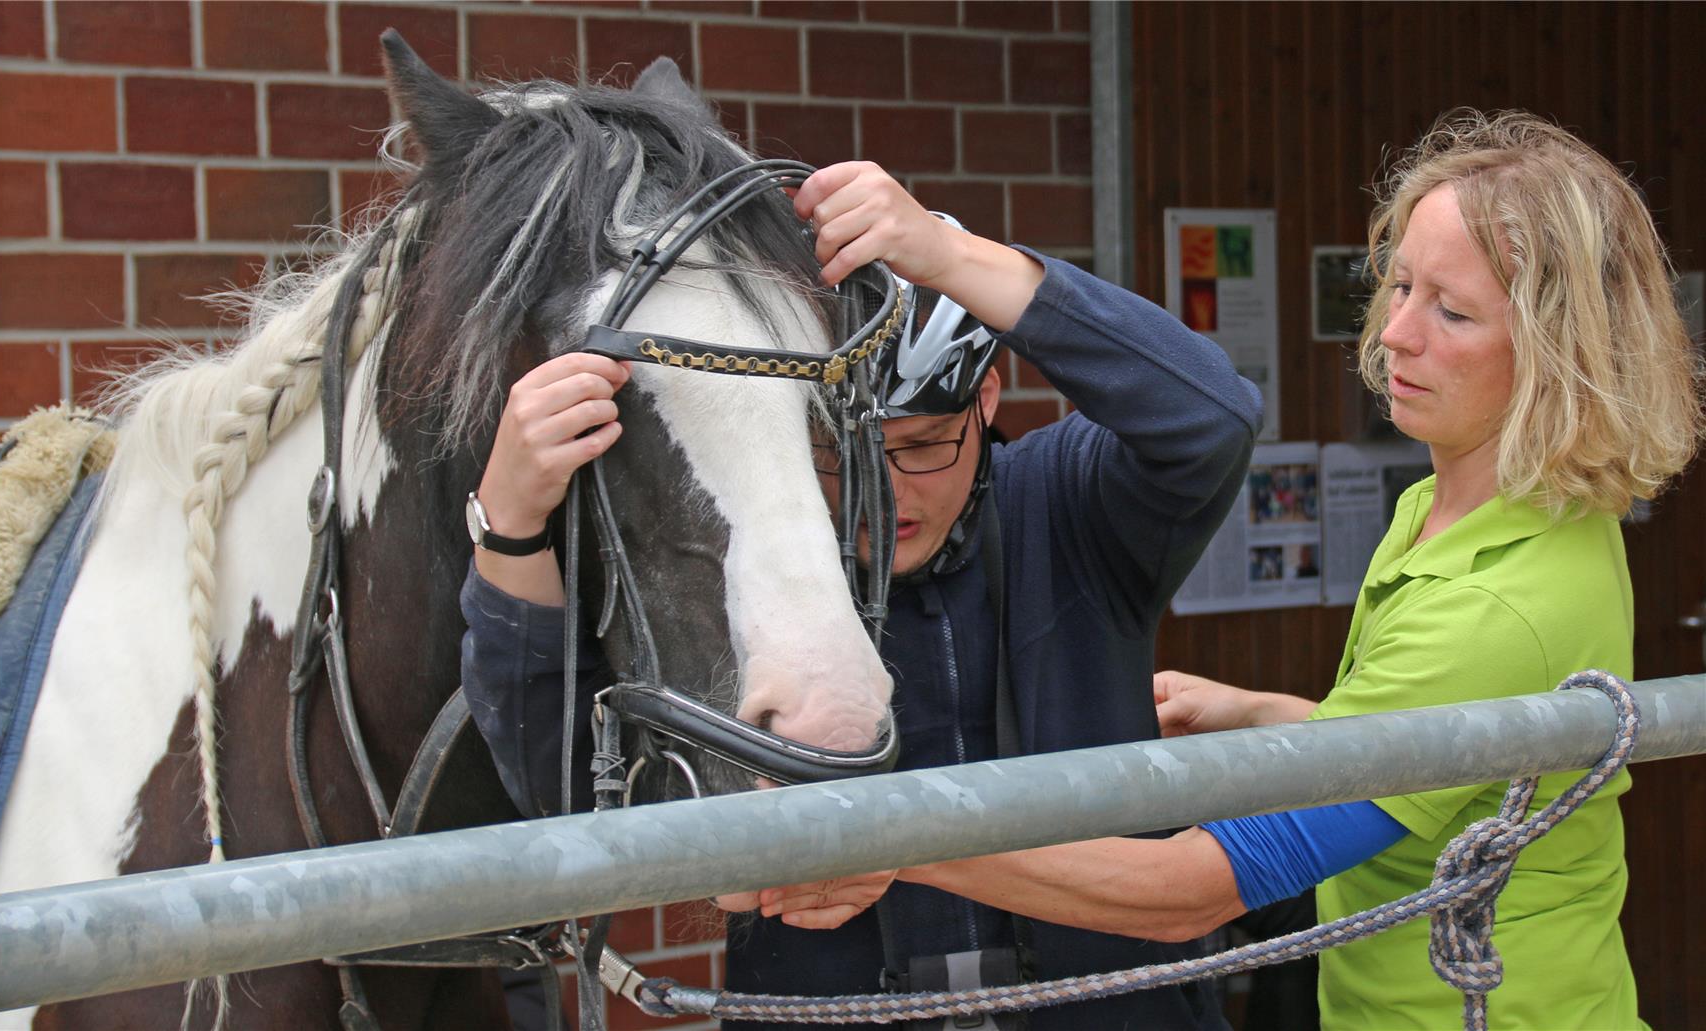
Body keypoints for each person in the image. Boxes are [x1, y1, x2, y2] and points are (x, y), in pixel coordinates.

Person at [764, 111, 1704, 1028]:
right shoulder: (1473, 511)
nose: (1396, 334)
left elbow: (1188, 893)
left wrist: (880, 841)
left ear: (1557, 354)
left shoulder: (1496, 598)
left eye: (1452, 311)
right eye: (1402, 284)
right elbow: (1447, 755)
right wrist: (1269, 718)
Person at [459, 159, 1263, 1029]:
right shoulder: (760, 558)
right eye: (837, 455)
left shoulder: (1072, 504)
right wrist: (508, 523)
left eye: (922, 446)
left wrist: (948, 256)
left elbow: (1212, 416)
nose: (889, 494)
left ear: (988, 397)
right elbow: (558, 775)